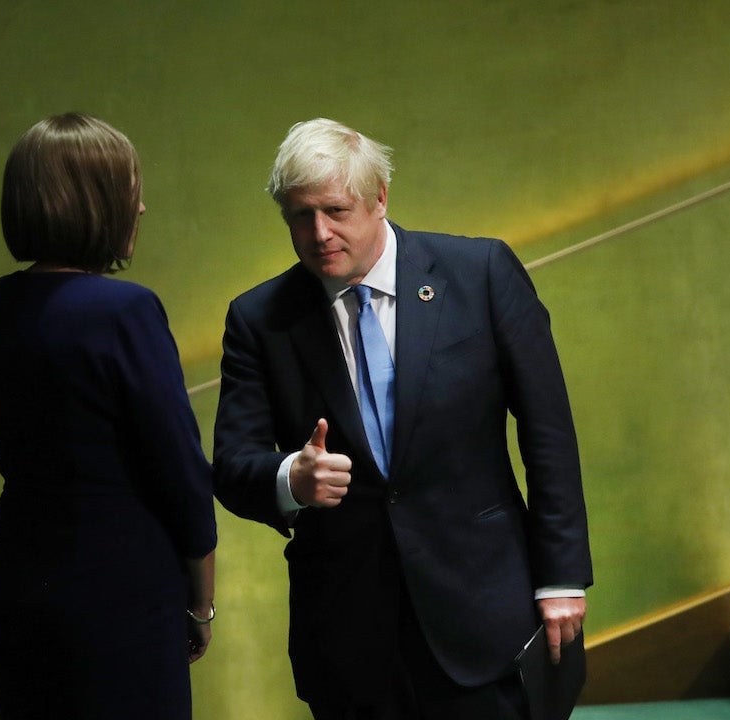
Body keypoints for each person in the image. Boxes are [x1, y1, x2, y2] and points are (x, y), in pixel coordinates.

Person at [213, 117, 592, 720]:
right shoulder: (260, 320)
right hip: (350, 638)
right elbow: (233, 464)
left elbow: (548, 433)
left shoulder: (481, 274)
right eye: (298, 216)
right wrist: (291, 479)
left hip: (484, 613)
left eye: (336, 210)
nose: (318, 233)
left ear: (381, 196)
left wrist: (561, 578)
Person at [0, 112, 217, 720]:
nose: (139, 208)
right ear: (92, 201)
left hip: (20, 588)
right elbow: (181, 474)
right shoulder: (124, 311)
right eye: (129, 190)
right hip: (120, 596)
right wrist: (202, 604)